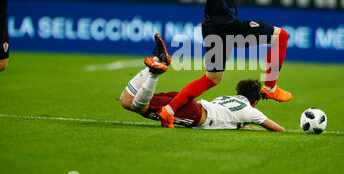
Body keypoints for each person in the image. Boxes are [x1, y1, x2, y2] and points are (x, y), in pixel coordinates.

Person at [151, 0, 303, 128]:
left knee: (212, 78)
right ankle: (270, 87)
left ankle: (168, 111)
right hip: (227, 25)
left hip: (213, 27)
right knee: (280, 36)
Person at [119, 33, 285, 132]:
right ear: (254, 102)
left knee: (126, 100)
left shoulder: (225, 99)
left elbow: (228, 117)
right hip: (194, 115)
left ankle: (156, 63)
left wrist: (245, 126)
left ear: (238, 93)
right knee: (139, 106)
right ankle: (155, 72)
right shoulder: (251, 111)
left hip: (184, 101)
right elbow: (278, 129)